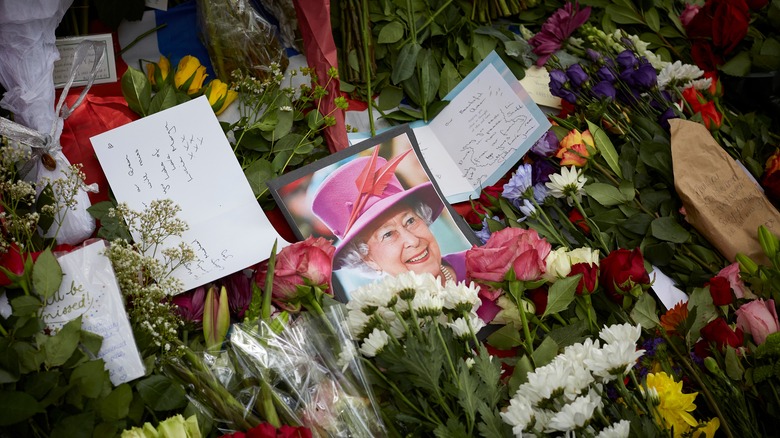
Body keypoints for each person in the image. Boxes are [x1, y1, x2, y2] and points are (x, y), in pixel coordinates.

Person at [311, 152, 467, 284]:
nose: (413, 240)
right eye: (388, 234)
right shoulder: (385, 318)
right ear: (368, 259)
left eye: (410, 221)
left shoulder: (482, 265)